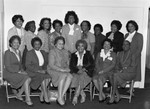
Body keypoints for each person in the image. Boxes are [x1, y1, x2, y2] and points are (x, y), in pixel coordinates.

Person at [3, 35, 33, 106]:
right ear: (10, 43)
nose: (16, 44)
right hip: (8, 73)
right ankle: (28, 99)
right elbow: (8, 67)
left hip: (17, 71)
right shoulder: (7, 52)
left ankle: (19, 95)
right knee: (26, 78)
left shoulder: (18, 52)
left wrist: (22, 71)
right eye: (14, 42)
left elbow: (20, 64)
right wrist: (19, 72)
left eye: (18, 42)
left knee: (28, 78)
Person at [47, 37, 73, 106]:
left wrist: (67, 69)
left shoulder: (65, 51)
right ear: (55, 44)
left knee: (70, 76)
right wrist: (63, 70)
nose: (61, 45)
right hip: (53, 69)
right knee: (63, 75)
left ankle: (60, 96)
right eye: (59, 43)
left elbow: (67, 63)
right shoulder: (52, 51)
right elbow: (51, 65)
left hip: (62, 69)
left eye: (62, 44)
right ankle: (60, 98)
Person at [25, 37, 51, 104]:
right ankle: (45, 96)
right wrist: (38, 70)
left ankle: (41, 95)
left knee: (49, 76)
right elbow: (27, 65)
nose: (37, 45)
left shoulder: (43, 52)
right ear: (33, 45)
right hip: (32, 71)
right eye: (35, 44)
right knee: (42, 77)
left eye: (38, 44)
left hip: (42, 70)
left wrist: (45, 70)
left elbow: (46, 63)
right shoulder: (29, 53)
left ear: (41, 44)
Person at [70, 39, 94, 105]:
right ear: (76, 47)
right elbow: (71, 66)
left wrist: (83, 69)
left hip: (86, 72)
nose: (80, 47)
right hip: (76, 72)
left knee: (82, 76)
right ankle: (82, 94)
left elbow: (92, 64)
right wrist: (77, 70)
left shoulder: (88, 54)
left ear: (85, 47)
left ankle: (75, 96)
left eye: (82, 46)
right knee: (75, 78)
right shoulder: (73, 55)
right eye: (78, 46)